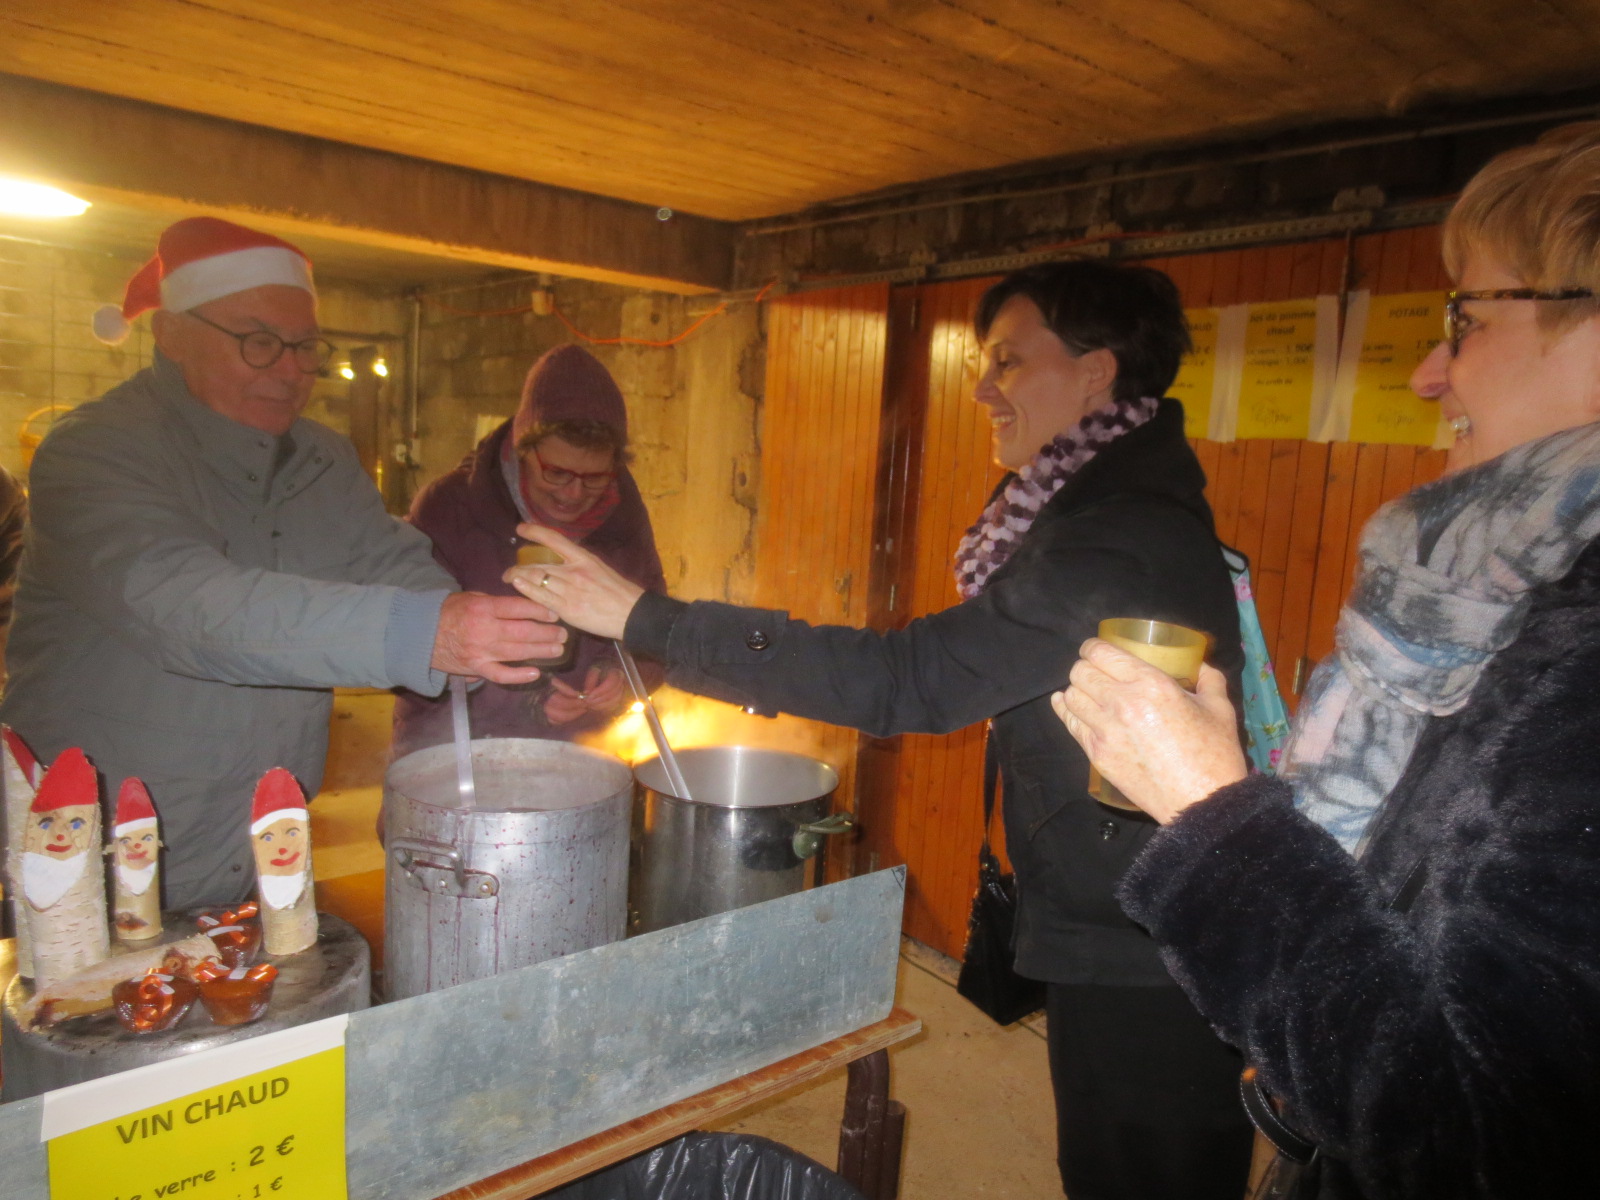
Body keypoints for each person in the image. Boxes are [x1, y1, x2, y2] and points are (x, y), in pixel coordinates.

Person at [508, 261, 1255, 1200]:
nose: (983, 387)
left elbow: (912, 682)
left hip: (1148, 930)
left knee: (1146, 1170)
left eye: (1009, 362)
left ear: (1097, 373)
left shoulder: (1117, 536)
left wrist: (649, 620)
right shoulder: (1093, 508)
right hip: (1128, 901)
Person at [1052, 122, 1600, 1199]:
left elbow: (1476, 1146)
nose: (1428, 370)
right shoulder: (1513, 599)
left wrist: (1213, 814)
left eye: (1465, 314)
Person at [0, 217, 563, 912]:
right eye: (259, 342)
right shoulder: (94, 453)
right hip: (93, 850)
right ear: (171, 333)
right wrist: (425, 632)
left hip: (260, 844)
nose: (292, 371)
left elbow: (389, 559)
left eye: (304, 346)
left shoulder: (321, 460)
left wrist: (492, 645)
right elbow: (186, 607)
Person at [391, 344, 666, 758]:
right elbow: (400, 644)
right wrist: (529, 699)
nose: (574, 494)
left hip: (577, 759)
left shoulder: (622, 519)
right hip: (457, 758)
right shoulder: (450, 508)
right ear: (523, 448)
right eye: (556, 473)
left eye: (595, 478)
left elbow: (654, 626)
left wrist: (624, 676)